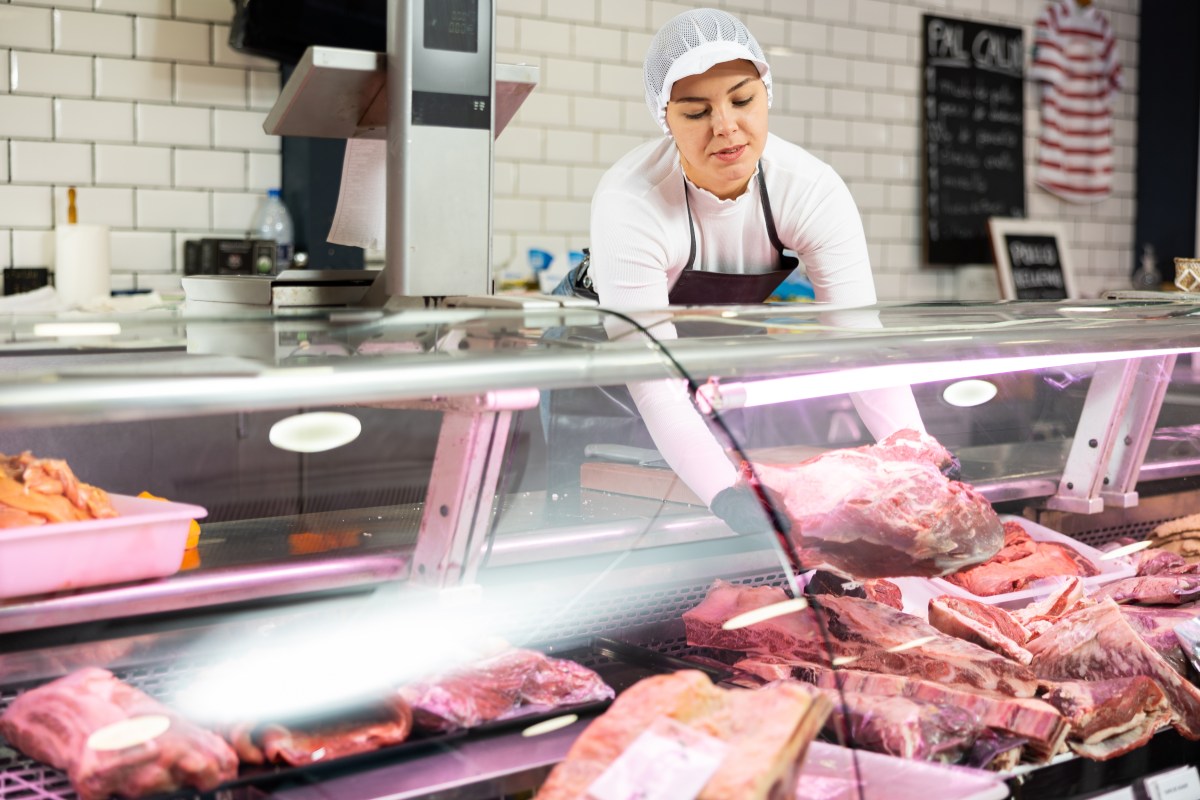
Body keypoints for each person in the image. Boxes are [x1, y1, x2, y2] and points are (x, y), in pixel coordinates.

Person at [557, 9, 926, 533]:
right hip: (599, 379)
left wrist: (920, 464)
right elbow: (651, 372)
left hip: (698, 373)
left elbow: (861, 345)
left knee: (701, 543)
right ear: (665, 118)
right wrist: (729, 494)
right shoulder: (630, 201)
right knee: (593, 529)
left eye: (742, 99)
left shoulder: (810, 190)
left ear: (767, 92)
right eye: (695, 111)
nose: (725, 126)